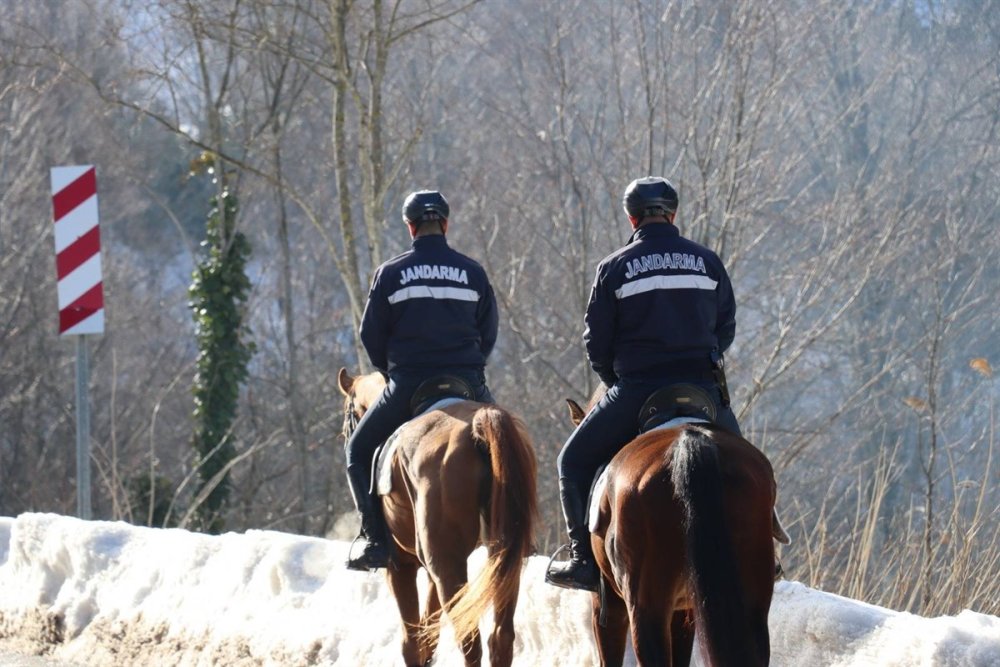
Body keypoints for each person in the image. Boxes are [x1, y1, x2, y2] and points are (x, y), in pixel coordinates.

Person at [545, 176, 742, 591]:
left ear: (631, 216)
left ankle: (582, 560)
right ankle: (765, 552)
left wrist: (614, 380)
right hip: (702, 390)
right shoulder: (707, 262)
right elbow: (725, 329)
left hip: (637, 390)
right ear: (673, 213)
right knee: (749, 465)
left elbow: (596, 342)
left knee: (572, 462)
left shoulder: (614, 267)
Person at [344, 189, 499, 572]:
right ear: (445, 224)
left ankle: (374, 538)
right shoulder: (473, 272)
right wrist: (472, 369)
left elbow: (371, 336)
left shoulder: (391, 273)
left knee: (358, 452)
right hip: (467, 382)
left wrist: (389, 371)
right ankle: (513, 532)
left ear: (410, 227)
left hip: (410, 382)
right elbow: (488, 330)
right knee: (507, 443)